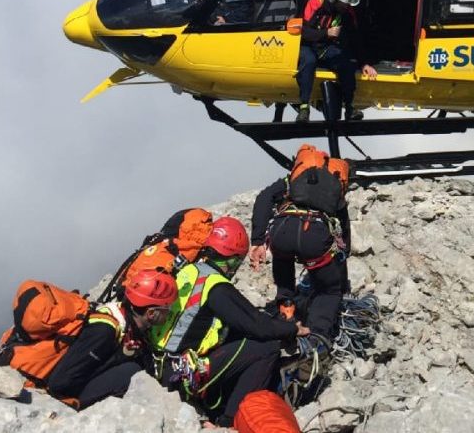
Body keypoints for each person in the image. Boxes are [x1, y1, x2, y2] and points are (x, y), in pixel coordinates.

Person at [149, 216, 309, 428]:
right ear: (232, 259)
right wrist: (291, 329)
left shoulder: (189, 271)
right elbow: (257, 326)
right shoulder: (217, 286)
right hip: (182, 374)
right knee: (266, 348)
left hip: (159, 363)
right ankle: (227, 422)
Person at [45, 270, 178, 410]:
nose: (170, 312)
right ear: (151, 313)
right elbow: (60, 383)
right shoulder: (104, 330)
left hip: (80, 382)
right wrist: (119, 357)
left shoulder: (127, 318)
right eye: (167, 307)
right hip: (65, 394)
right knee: (131, 372)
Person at [248, 162, 351, 343]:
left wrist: (257, 240)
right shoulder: (334, 183)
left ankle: (286, 313)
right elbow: (343, 227)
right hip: (314, 236)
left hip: (282, 231)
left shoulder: (292, 180)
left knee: (283, 261)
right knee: (328, 290)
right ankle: (316, 341)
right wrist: (343, 261)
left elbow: (264, 197)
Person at [295, 0, 377, 122]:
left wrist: (364, 64)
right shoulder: (317, 3)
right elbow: (302, 31)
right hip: (307, 44)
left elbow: (355, 39)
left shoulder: (347, 13)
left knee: (346, 64)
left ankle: (349, 107)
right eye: (344, 4)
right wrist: (326, 33)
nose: (346, 7)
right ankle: (304, 107)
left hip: (327, 48)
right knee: (308, 62)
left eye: (348, 5)